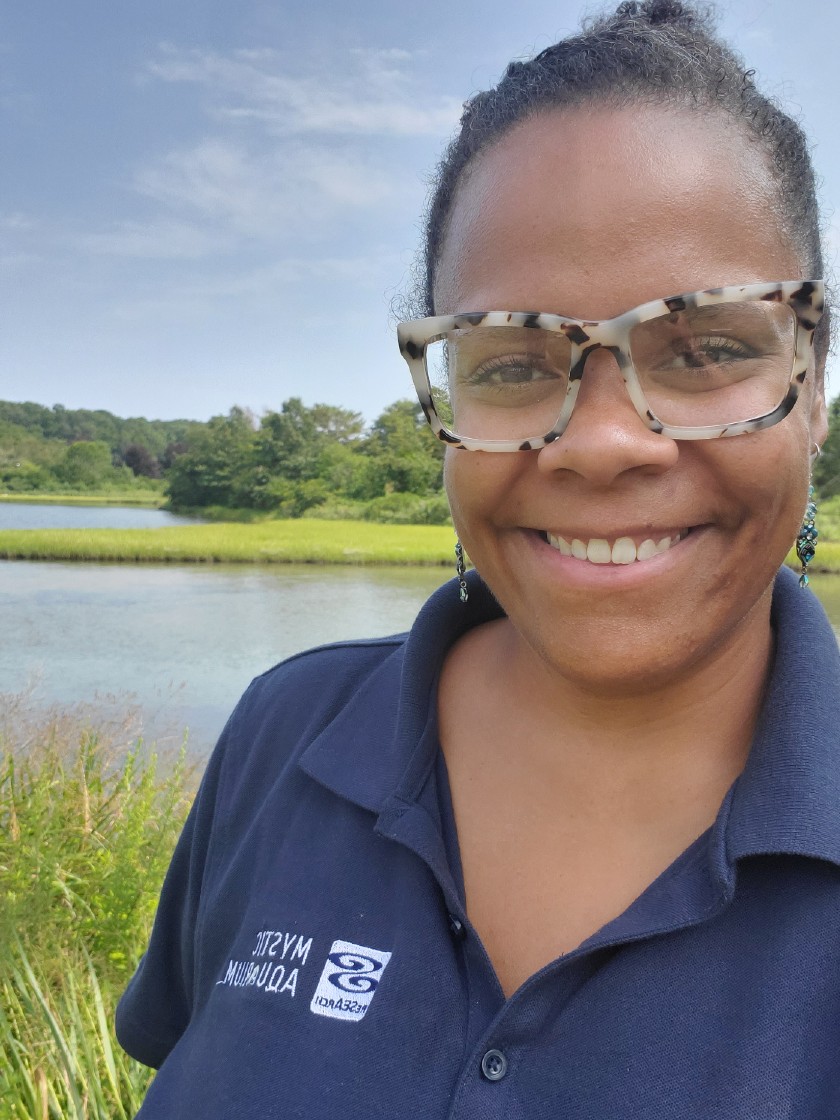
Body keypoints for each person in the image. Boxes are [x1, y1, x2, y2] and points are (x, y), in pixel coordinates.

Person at [117, 1, 839, 1115]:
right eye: (512, 364)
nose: (602, 443)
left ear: (815, 377)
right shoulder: (287, 732)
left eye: (704, 348)